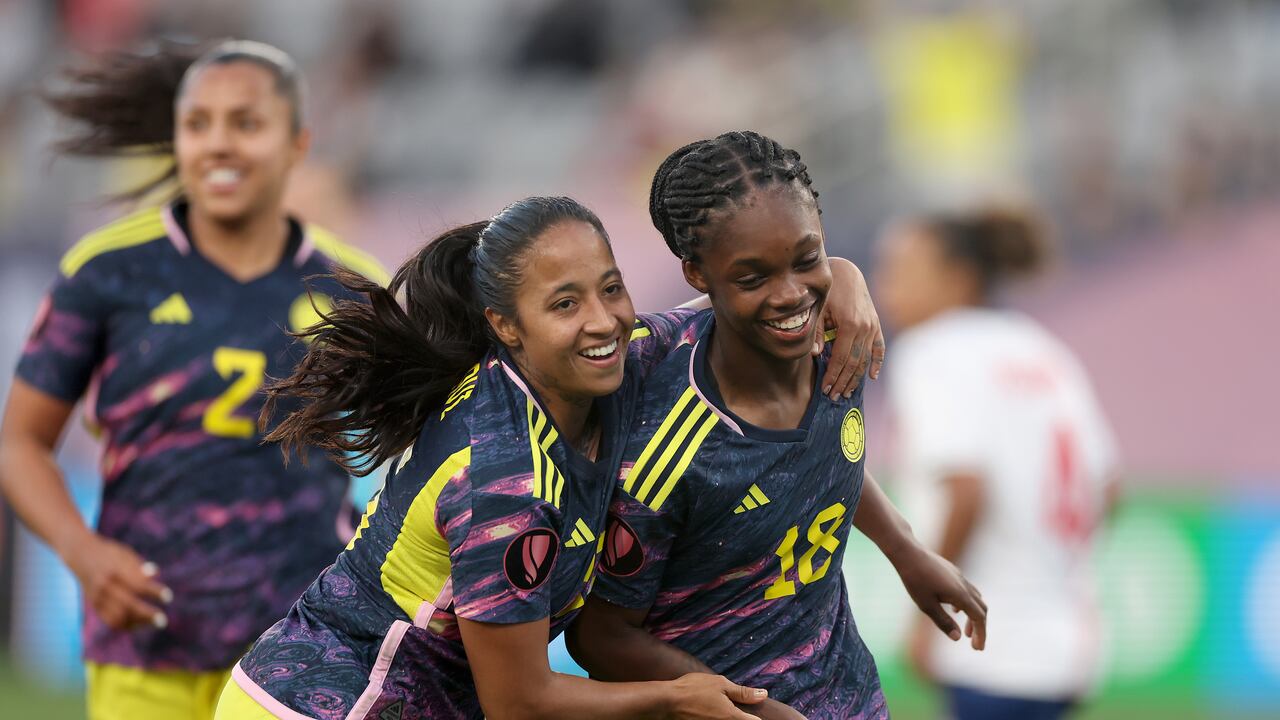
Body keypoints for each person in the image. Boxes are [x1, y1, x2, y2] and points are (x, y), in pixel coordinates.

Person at [214, 195, 881, 719]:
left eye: (611, 289)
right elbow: (521, 703)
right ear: (506, 325)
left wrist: (841, 278)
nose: (603, 320)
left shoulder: (606, 361)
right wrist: (677, 697)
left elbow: (734, 305)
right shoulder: (506, 485)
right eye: (565, 303)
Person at [0, 40, 389, 720]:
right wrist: (83, 554)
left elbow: (422, 451)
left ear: (297, 144)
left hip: (303, 647)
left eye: (246, 123)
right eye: (198, 124)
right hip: (146, 643)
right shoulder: (106, 272)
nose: (219, 144)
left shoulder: (354, 291)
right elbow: (20, 443)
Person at [567, 131, 987, 719]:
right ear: (696, 275)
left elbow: (818, 460)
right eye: (752, 277)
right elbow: (599, 637)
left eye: (807, 259)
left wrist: (907, 550)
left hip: (851, 699)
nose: (791, 295)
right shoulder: (669, 447)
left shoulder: (838, 340)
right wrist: (755, 708)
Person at [875, 207, 1120, 720]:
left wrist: (929, 616)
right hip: (1066, 646)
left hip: (988, 644)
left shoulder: (934, 350)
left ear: (959, 279)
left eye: (902, 270)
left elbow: (967, 492)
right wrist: (1052, 572)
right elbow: (1110, 487)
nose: (885, 286)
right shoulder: (1043, 350)